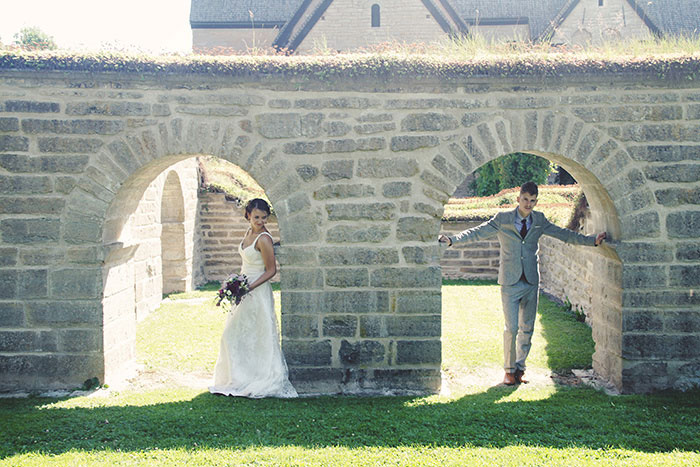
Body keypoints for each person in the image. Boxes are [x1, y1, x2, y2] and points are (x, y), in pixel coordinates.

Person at [439, 182, 606, 386]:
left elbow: (565, 235)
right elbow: (477, 232)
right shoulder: (503, 219)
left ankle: (520, 368)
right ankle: (509, 371)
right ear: (518, 199)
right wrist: (452, 240)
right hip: (510, 281)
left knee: (528, 328)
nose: (529, 204)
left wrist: (592, 241)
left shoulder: (540, 220)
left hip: (531, 281)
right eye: (525, 199)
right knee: (512, 328)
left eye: (533, 201)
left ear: (536, 201)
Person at [209, 198, 298, 398]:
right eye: (256, 217)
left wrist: (248, 287)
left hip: (256, 291)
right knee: (235, 334)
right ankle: (239, 377)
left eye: (264, 217)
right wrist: (235, 283)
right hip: (244, 288)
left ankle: (257, 377)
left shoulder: (264, 239)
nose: (260, 221)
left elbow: (271, 271)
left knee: (256, 334)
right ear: (248, 215)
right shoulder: (249, 233)